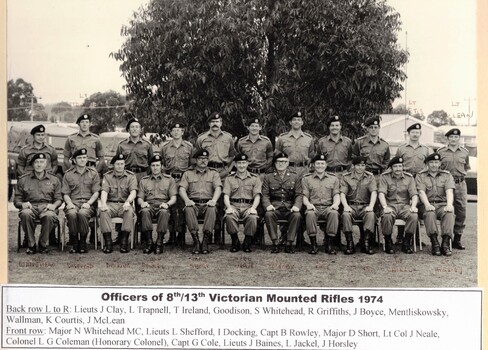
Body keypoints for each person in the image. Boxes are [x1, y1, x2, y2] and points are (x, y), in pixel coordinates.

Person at [196, 112, 237, 244]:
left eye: (217, 121)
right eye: (212, 122)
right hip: (207, 172)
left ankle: (218, 234)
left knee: (220, 202)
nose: (215, 124)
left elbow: (232, 156)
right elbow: (195, 156)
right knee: (210, 200)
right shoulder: (202, 138)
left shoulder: (228, 138)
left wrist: (228, 170)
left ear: (221, 123)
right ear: (209, 124)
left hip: (222, 172)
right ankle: (209, 231)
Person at [17, 124, 59, 247]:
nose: (41, 137)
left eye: (42, 135)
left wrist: (50, 175)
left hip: (46, 181)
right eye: (38, 135)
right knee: (27, 212)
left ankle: (50, 237)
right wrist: (26, 177)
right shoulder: (25, 150)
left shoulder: (51, 150)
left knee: (50, 212)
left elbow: (55, 163)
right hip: (30, 182)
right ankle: (28, 239)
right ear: (33, 136)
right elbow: (20, 166)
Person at [14, 153, 62, 254]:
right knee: (25, 213)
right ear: (32, 165)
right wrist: (22, 204)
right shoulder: (23, 180)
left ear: (46, 164)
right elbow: (17, 200)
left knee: (49, 215)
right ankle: (31, 244)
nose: (39, 165)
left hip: (47, 207)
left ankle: (42, 244)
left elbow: (59, 198)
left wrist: (54, 205)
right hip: (30, 207)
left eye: (41, 162)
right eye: (36, 162)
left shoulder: (54, 179)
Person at [393, 122, 432, 245]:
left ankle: (415, 238)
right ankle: (400, 236)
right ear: (408, 134)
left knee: (417, 206)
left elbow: (429, 165)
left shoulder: (426, 149)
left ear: (420, 134)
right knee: (403, 203)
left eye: (417, 132)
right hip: (405, 179)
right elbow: (396, 164)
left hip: (420, 180)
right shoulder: (401, 148)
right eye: (413, 132)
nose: (415, 134)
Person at [179, 150, 222, 254]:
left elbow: (218, 188)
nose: (203, 161)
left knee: (212, 209)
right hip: (194, 204)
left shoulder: (214, 173)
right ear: (196, 160)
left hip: (208, 203)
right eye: (201, 159)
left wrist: (214, 200)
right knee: (188, 208)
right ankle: (196, 241)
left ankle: (205, 241)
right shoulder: (188, 173)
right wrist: (187, 200)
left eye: (206, 159)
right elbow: (181, 189)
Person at [160, 121, 194, 246]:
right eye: (173, 130)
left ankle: (181, 235)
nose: (176, 132)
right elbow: (162, 164)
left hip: (184, 179)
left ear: (182, 132)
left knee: (182, 207)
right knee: (171, 207)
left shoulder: (189, 147)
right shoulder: (165, 147)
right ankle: (172, 235)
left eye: (178, 130)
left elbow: (192, 165)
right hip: (169, 179)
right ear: (170, 132)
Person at [261, 152, 302, 254]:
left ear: (288, 163)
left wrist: (296, 206)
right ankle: (275, 243)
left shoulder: (294, 177)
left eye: (284, 162)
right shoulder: (268, 177)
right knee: (268, 214)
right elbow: (265, 194)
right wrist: (268, 205)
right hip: (275, 207)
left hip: (289, 207)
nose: (281, 164)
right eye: (279, 162)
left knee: (297, 215)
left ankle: (289, 243)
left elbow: (299, 194)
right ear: (275, 164)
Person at [415, 153, 456, 256]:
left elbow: (449, 191)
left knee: (449, 213)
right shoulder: (421, 175)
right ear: (427, 164)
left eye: (436, 162)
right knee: (430, 213)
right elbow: (421, 192)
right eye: (431, 162)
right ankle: (435, 243)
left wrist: (449, 205)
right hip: (426, 205)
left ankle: (445, 244)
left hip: (442, 204)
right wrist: (427, 205)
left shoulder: (446, 175)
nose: (434, 165)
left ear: (440, 163)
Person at [62, 148, 100, 254]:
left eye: (84, 157)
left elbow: (96, 192)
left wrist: (89, 203)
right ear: (74, 160)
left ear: (87, 159)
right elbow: (65, 193)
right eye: (79, 158)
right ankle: (74, 242)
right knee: (72, 214)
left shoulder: (93, 173)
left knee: (83, 213)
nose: (82, 160)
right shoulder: (68, 174)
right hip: (73, 203)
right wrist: (69, 203)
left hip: (89, 204)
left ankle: (83, 242)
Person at [437, 128, 470, 250]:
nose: (454, 139)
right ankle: (446, 238)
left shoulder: (465, 152)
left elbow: (466, 168)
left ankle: (457, 238)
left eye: (456, 137)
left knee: (461, 211)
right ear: (448, 138)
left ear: (459, 138)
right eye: (451, 137)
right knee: (446, 209)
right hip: (445, 184)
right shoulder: (441, 152)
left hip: (460, 184)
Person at [137, 155, 178, 254]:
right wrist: (142, 203)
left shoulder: (169, 180)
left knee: (164, 212)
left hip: (163, 204)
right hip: (149, 205)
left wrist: (167, 204)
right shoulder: (144, 180)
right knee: (145, 211)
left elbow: (173, 198)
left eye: (157, 165)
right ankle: (149, 242)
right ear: (150, 167)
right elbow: (139, 198)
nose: (155, 168)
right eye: (153, 165)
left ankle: (159, 241)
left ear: (161, 166)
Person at [378, 156, 418, 254]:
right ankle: (388, 241)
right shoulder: (384, 177)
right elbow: (381, 193)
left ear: (403, 167)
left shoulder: (409, 178)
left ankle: (406, 242)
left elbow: (414, 194)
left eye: (400, 166)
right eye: (395, 166)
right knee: (387, 216)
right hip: (390, 205)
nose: (398, 169)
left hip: (404, 206)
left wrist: (413, 206)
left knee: (413, 215)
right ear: (391, 168)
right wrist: (385, 207)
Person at [301, 154, 340, 255]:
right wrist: (308, 205)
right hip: (314, 206)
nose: (320, 166)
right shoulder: (306, 178)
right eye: (317, 163)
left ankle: (329, 244)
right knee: (310, 214)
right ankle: (314, 244)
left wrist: (336, 204)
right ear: (313, 165)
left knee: (334, 213)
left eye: (322, 163)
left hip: (328, 207)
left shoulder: (334, 178)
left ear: (326, 165)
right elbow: (304, 196)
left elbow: (336, 194)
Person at [99, 154, 138, 253]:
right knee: (103, 212)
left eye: (122, 164)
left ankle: (124, 243)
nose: (120, 166)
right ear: (113, 165)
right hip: (111, 204)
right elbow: (104, 191)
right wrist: (103, 203)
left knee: (129, 211)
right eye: (117, 164)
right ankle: (108, 243)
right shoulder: (107, 177)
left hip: (124, 204)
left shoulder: (131, 176)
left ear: (125, 164)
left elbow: (133, 191)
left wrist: (128, 202)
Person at [223, 153, 262, 253]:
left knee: (253, 217)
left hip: (248, 205)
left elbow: (257, 195)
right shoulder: (229, 178)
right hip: (234, 205)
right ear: (235, 164)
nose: (241, 165)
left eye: (243, 163)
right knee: (229, 216)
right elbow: (226, 195)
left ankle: (247, 242)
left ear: (247, 164)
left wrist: (253, 208)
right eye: (239, 163)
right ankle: (235, 241)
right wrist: (228, 207)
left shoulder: (255, 178)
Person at [340, 156, 377, 255]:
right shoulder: (346, 177)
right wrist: (345, 206)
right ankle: (350, 243)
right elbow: (342, 193)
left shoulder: (370, 177)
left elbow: (374, 192)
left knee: (371, 215)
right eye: (358, 165)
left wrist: (371, 206)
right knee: (345, 215)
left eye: (363, 165)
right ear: (353, 166)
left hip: (365, 206)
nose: (361, 168)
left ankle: (365, 243)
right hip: (351, 206)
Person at [275, 111, 315, 178]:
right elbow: (277, 154)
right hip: (287, 170)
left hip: (304, 171)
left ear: (302, 122)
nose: (296, 122)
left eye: (299, 120)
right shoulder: (282, 138)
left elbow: (311, 155)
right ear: (290, 122)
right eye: (294, 120)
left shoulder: (309, 138)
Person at [116, 117, 154, 182]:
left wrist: (147, 175)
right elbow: (117, 163)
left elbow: (152, 162)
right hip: (127, 176)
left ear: (140, 130)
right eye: (132, 127)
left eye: (137, 127)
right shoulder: (121, 145)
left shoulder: (147, 145)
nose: (134, 129)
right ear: (128, 130)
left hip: (143, 176)